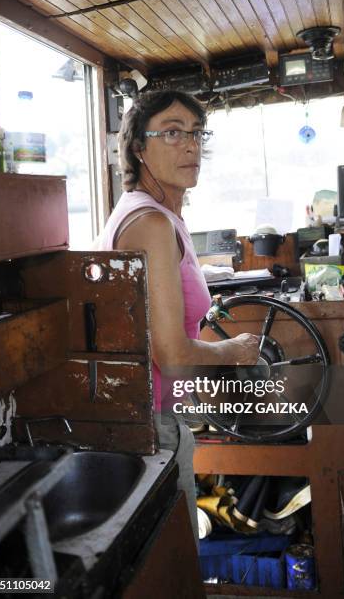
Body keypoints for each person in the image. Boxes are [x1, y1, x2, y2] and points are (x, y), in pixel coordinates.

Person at [97, 90, 260, 548]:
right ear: (138, 148)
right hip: (152, 429)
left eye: (194, 134)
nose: (189, 146)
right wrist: (233, 350)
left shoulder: (158, 217)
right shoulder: (151, 224)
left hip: (154, 418)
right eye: (171, 133)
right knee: (175, 563)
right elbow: (171, 356)